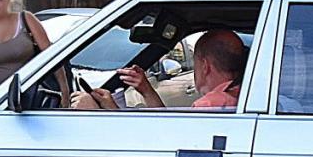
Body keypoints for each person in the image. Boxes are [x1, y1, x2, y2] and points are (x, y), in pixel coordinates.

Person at [71, 29, 247, 110]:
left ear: (205, 66)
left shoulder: (210, 106)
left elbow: (169, 149)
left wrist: (104, 113)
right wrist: (147, 91)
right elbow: (170, 132)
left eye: (195, 64)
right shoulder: (244, 96)